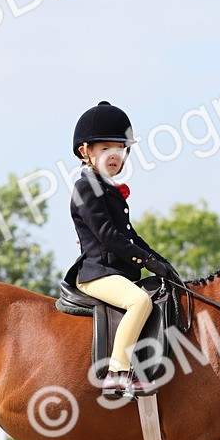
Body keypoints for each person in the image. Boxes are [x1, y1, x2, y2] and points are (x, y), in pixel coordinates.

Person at [63, 101, 178, 398]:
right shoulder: (86, 187)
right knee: (139, 302)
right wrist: (147, 261)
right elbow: (109, 236)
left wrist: (161, 262)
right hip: (97, 273)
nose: (114, 155)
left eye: (120, 148)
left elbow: (131, 235)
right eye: (105, 148)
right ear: (84, 151)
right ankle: (117, 372)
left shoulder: (108, 188)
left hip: (116, 271)